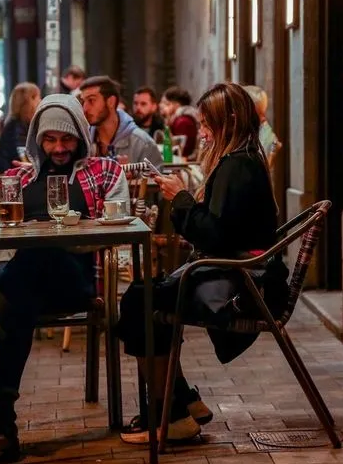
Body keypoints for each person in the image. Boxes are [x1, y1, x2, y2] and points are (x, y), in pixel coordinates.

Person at [0, 94, 129, 464]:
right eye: (50, 139)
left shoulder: (105, 172)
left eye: (67, 139)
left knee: (37, 253)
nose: (58, 148)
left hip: (77, 282)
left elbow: (119, 229)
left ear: (81, 138)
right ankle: (2, 422)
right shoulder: (17, 178)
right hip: (26, 289)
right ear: (37, 138)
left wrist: (60, 235)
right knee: (21, 299)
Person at [116, 82, 288, 444]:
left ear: (230, 121)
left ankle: (171, 414)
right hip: (239, 276)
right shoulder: (242, 160)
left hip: (239, 286)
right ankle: (181, 402)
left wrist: (180, 198)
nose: (204, 133)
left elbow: (215, 237)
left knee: (138, 301)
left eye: (208, 124)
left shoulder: (237, 166)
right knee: (144, 295)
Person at [80, 76, 163, 167]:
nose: (85, 108)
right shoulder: (81, 141)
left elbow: (157, 180)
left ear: (111, 102)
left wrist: (131, 178)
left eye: (91, 100)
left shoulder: (143, 144)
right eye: (83, 101)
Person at [0, 82, 40, 173]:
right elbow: (23, 157)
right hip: (10, 176)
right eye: (38, 97)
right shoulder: (17, 127)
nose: (40, 101)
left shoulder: (14, 124)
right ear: (31, 100)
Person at [244, 85, 282, 166]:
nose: (263, 119)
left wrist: (271, 154)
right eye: (259, 114)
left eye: (263, 114)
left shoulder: (264, 133)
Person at [159, 86, 200, 158]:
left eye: (166, 104)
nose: (161, 106)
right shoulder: (179, 119)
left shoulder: (183, 122)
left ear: (176, 105)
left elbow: (181, 151)